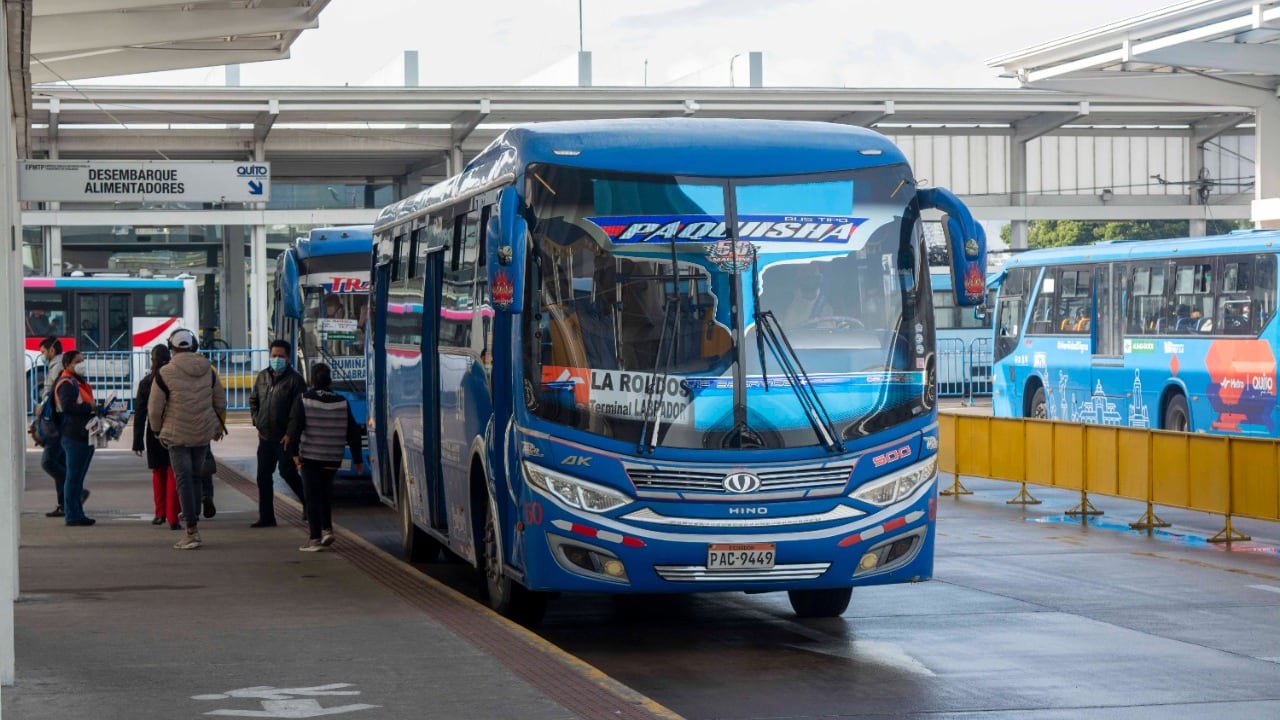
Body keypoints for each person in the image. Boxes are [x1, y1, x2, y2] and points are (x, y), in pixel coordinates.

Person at [147, 328, 226, 550]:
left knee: (183, 480)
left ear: (171, 348)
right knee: (195, 477)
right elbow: (219, 401)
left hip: (176, 435)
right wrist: (217, 426)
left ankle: (191, 530)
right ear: (194, 346)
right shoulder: (208, 370)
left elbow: (154, 408)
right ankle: (194, 520)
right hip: (202, 434)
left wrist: (156, 431)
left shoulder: (165, 372)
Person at [287, 363, 362, 551]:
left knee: (311, 497)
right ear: (329, 380)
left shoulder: (304, 399)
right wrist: (358, 459)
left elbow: (295, 429)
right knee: (325, 494)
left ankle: (315, 539)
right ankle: (327, 529)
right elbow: (353, 432)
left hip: (310, 457)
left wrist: (294, 455)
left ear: (311, 380)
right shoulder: (342, 401)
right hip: (333, 458)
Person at [248, 339, 307, 527]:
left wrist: (290, 434)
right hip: (265, 437)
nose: (277, 359)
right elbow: (254, 399)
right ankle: (266, 517)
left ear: (288, 357)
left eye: (281, 356)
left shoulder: (295, 380)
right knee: (263, 477)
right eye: (274, 356)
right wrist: (256, 419)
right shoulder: (263, 376)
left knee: (288, 472)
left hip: (284, 438)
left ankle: (309, 504)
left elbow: (298, 412)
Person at [37, 336, 89, 517]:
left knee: (49, 462)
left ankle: (72, 499)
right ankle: (67, 504)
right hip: (65, 427)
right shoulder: (63, 373)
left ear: (52, 350)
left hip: (62, 427)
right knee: (58, 463)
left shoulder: (61, 371)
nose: (42, 355)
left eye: (43, 352)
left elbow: (63, 404)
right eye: (79, 361)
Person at [133, 344, 181, 530]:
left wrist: (137, 441)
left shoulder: (146, 382)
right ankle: (172, 516)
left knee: (158, 473)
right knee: (172, 473)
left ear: (151, 361)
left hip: (153, 433)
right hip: (173, 430)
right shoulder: (174, 380)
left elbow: (139, 414)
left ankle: (159, 513)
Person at [54, 350, 99, 527]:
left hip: (83, 434)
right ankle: (72, 515)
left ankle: (77, 513)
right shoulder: (66, 383)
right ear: (67, 365)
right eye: (77, 362)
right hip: (74, 436)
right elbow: (67, 407)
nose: (81, 364)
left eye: (82, 360)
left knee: (78, 477)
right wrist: (90, 408)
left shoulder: (77, 381)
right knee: (73, 477)